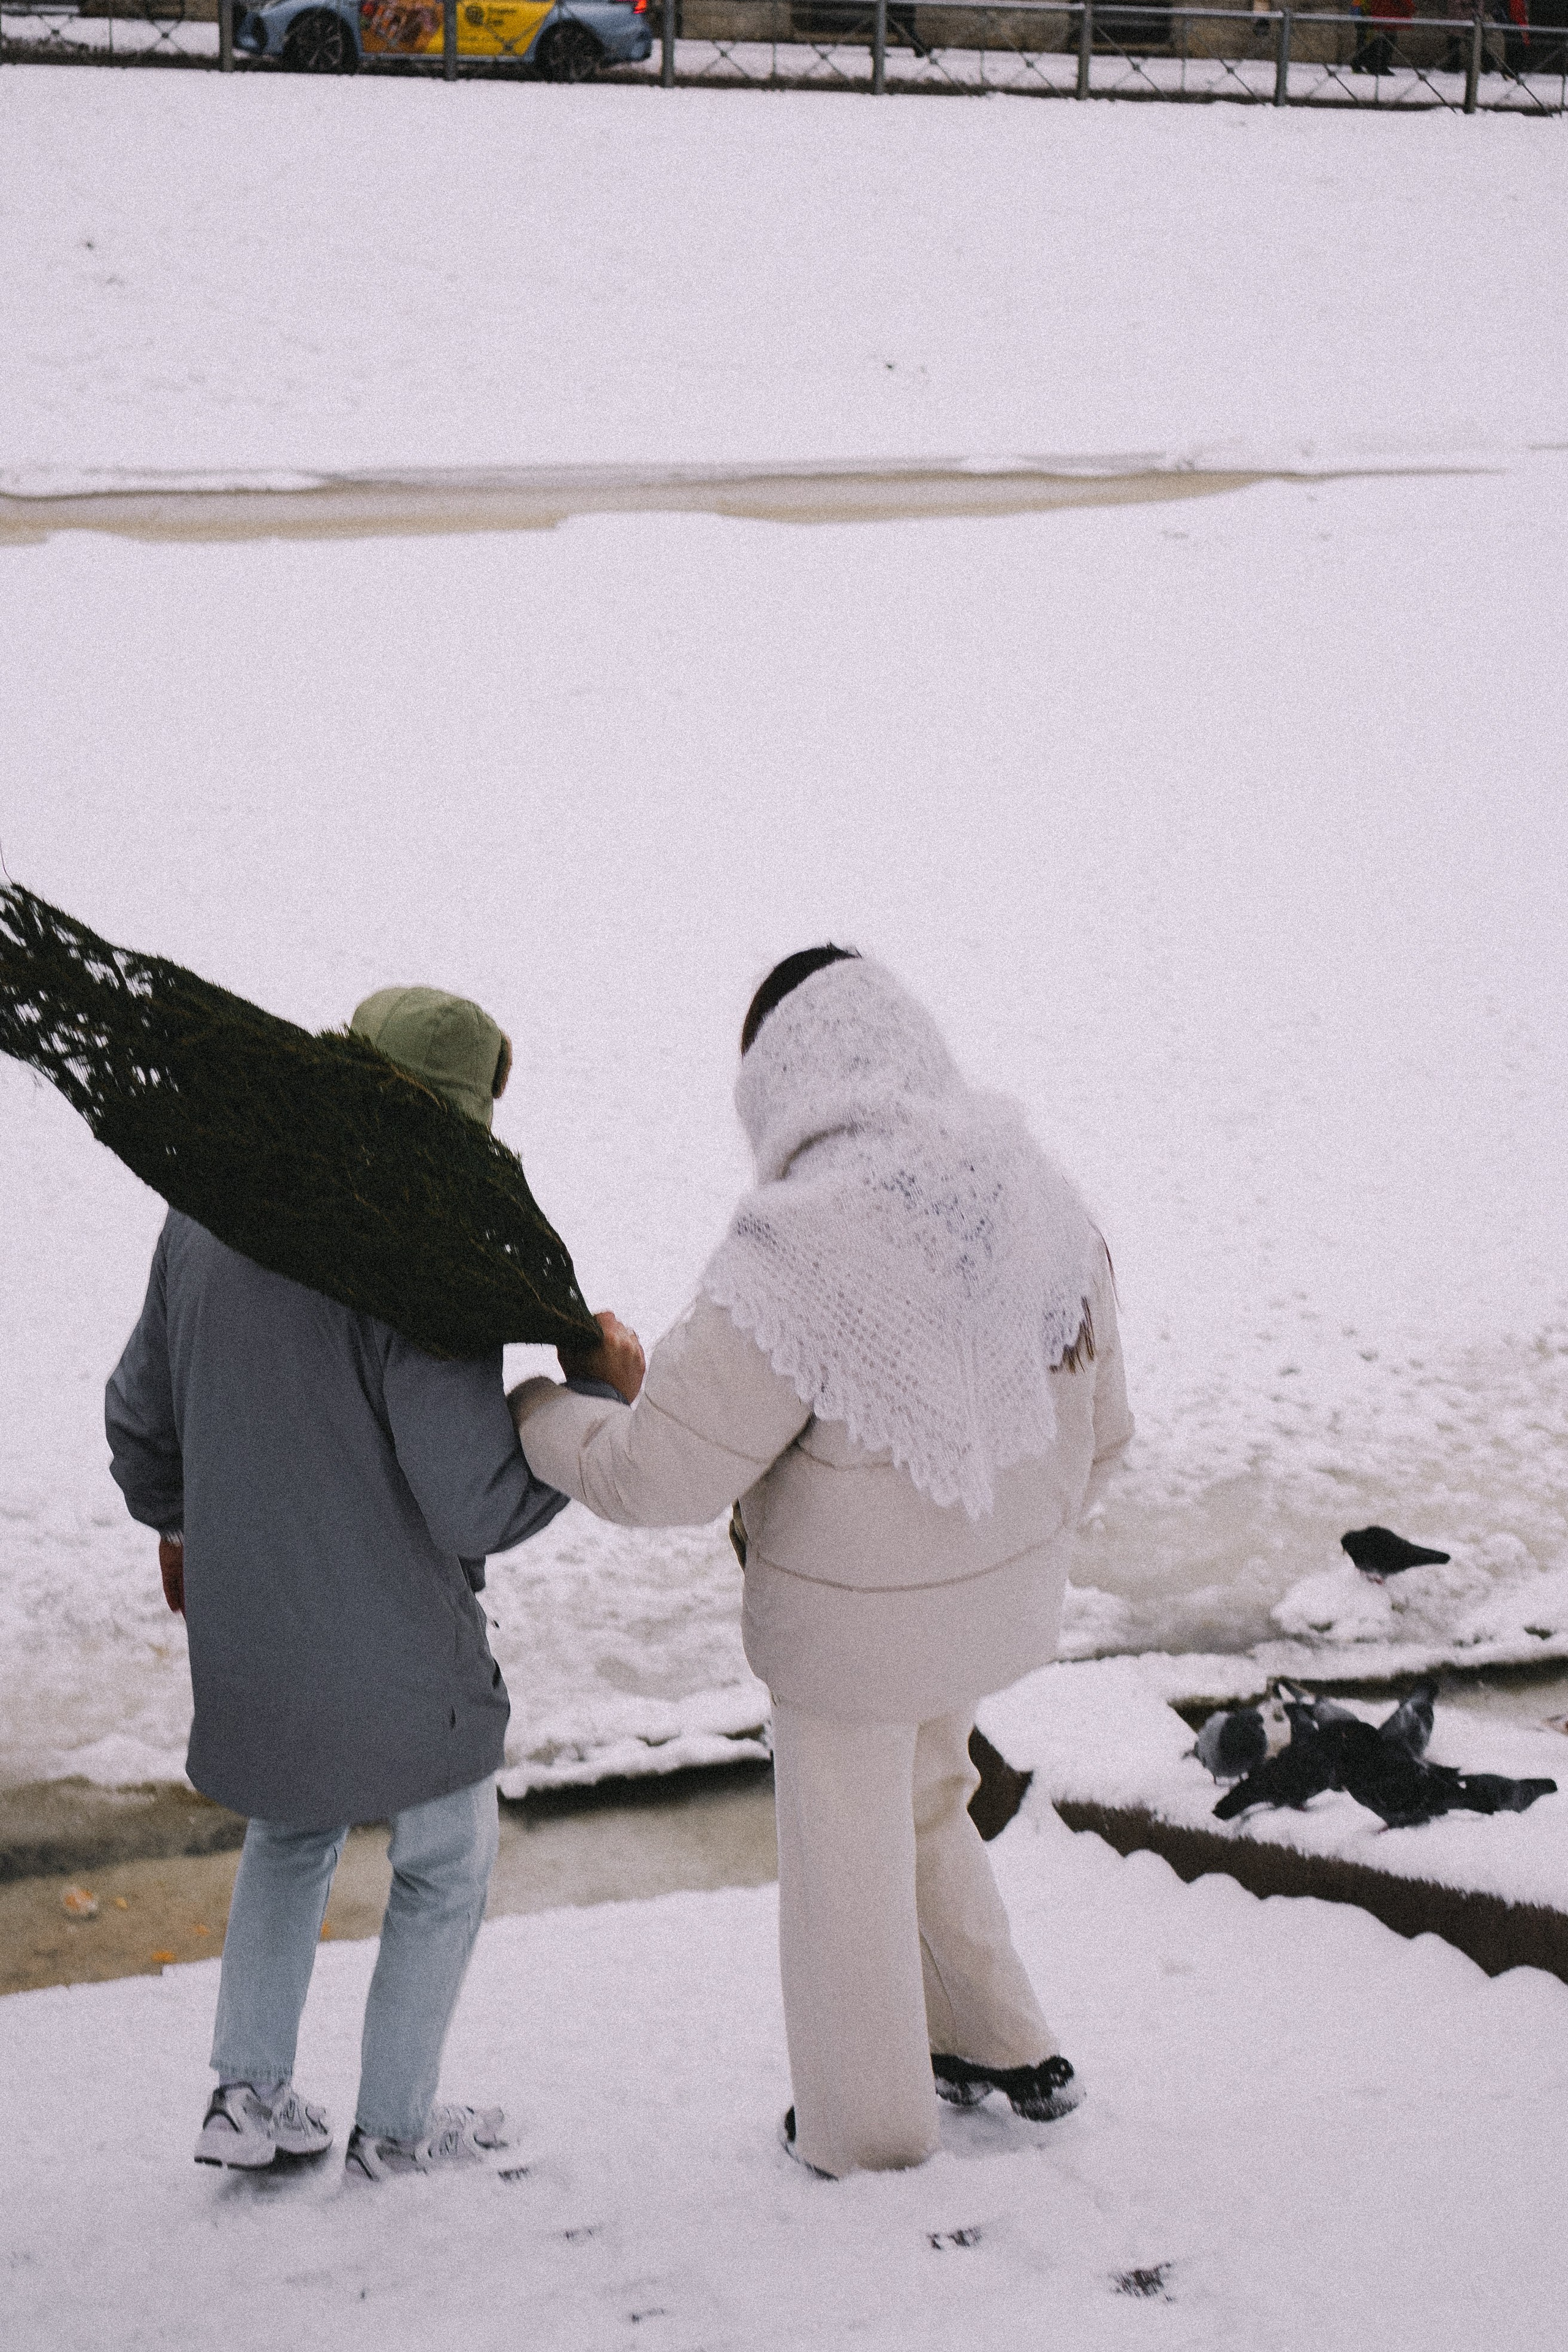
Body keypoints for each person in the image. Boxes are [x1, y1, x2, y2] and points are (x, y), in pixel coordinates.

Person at [512, 948, 1133, 2179]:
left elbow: (661, 1477)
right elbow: (1102, 1433)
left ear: (778, 1081)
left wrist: (537, 1413)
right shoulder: (1038, 1202)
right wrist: (990, 1541)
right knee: (926, 1796)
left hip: (848, 1640)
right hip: (995, 1606)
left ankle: (865, 2128)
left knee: (845, 1855)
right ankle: (1003, 2045)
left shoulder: (790, 1252)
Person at [106, 984, 613, 2184]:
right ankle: (395, 2129)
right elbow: (472, 1502)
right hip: (397, 1650)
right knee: (444, 1869)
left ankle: (246, 2094)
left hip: (251, 1633)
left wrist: (181, 1524)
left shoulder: (205, 1212)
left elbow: (139, 1419)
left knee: (288, 1836)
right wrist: (592, 1400)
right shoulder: (417, 1260)